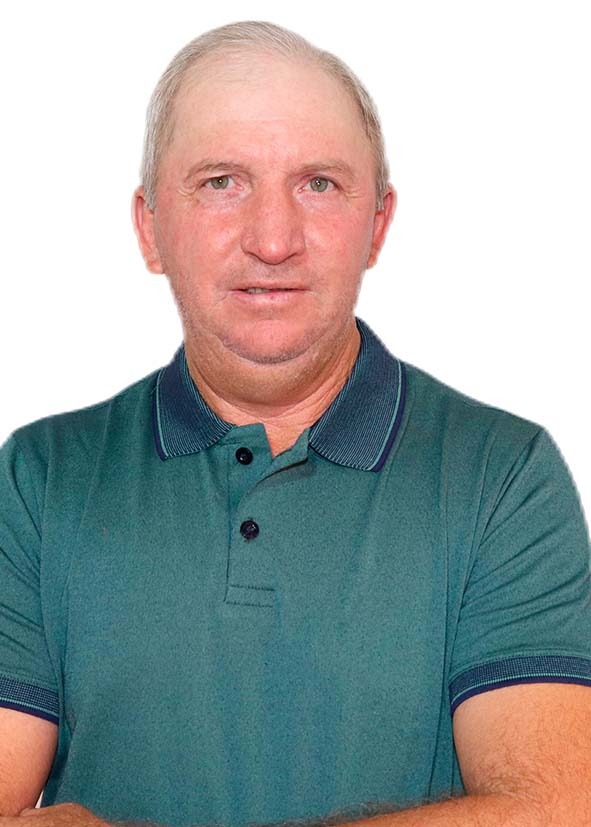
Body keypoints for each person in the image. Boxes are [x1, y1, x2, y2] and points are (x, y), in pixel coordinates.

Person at [1, 19, 590, 827]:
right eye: (221, 182)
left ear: (376, 224)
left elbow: (554, 810)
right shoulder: (38, 480)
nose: (273, 240)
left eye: (317, 183)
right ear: (149, 227)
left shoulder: (502, 476)